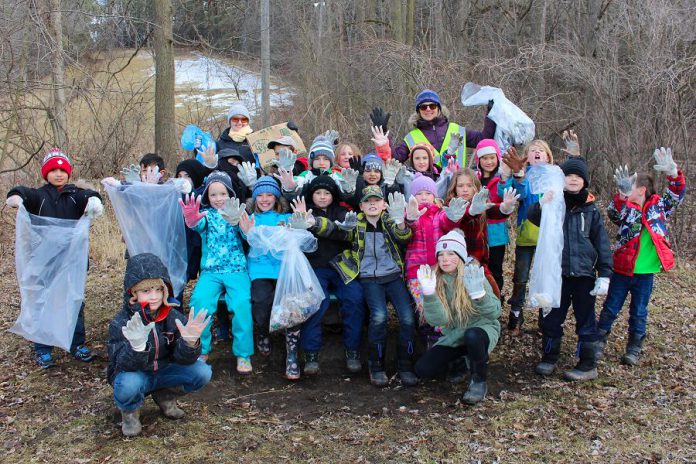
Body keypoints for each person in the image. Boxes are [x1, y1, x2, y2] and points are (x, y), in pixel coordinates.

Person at [309, 186, 417, 387]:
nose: (372, 204)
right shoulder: (356, 223)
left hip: (393, 277)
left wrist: (402, 222)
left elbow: (404, 237)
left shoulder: (389, 220)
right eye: (367, 201)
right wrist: (313, 222)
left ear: (384, 204)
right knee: (379, 317)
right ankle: (376, 366)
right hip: (369, 278)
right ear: (361, 206)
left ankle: (405, 364)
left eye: (376, 200)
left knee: (408, 319)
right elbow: (335, 229)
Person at [6, 147, 103, 368]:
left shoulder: (75, 195)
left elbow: (91, 195)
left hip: (72, 262)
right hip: (44, 262)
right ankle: (43, 348)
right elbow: (20, 191)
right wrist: (15, 199)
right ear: (46, 173)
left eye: (63, 170)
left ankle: (76, 343)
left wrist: (94, 202)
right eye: (53, 170)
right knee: (43, 302)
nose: (59, 174)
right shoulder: (39, 196)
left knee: (74, 302)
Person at [596, 147, 685, 366]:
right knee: (611, 307)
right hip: (622, 269)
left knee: (639, 311)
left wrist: (674, 174)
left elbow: (676, 194)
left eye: (631, 186)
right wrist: (621, 195)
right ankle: (597, 342)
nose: (628, 189)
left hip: (645, 272)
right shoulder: (628, 207)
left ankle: (634, 347)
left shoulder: (659, 207)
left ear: (642, 189)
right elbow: (613, 213)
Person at [107, 253, 212, 437]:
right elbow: (120, 365)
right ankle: (130, 412)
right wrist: (137, 347)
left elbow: (183, 359)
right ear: (133, 293)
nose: (154, 296)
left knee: (202, 372)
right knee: (127, 385)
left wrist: (189, 343)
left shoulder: (173, 317)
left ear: (165, 290)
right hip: (137, 375)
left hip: (164, 372)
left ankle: (165, 395)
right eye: (146, 291)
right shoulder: (121, 322)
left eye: (158, 289)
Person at [533, 147, 613, 381]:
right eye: (569, 176)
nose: (573, 179)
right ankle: (549, 358)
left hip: (584, 275)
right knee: (552, 318)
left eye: (578, 177)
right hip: (557, 274)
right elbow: (532, 216)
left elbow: (602, 244)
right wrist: (542, 204)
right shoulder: (555, 205)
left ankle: (588, 364)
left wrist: (605, 273)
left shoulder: (591, 211)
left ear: (584, 181)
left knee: (586, 319)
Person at [238, 176, 313, 380]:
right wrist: (246, 232)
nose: (264, 199)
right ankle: (262, 332)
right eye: (260, 195)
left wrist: (301, 224)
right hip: (260, 271)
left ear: (276, 197)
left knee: (291, 308)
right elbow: (246, 235)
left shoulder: (286, 217)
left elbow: (301, 237)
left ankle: (292, 355)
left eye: (269, 195)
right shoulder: (252, 217)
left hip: (285, 270)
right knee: (261, 303)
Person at [179, 171, 254, 374]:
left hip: (236, 270)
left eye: (222, 194)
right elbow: (198, 225)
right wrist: (192, 219)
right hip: (211, 272)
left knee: (242, 304)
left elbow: (247, 236)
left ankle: (243, 354)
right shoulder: (208, 216)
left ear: (230, 195)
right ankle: (201, 350)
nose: (218, 199)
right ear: (207, 198)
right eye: (213, 195)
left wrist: (245, 228)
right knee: (199, 303)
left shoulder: (236, 214)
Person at [414, 230, 501, 404]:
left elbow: (494, 313)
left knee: (473, 336)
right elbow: (438, 321)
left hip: (482, 328)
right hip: (455, 334)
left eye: (451, 254)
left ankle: (478, 381)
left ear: (460, 256)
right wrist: (429, 294)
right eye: (441, 254)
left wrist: (480, 296)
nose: (445, 259)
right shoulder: (435, 280)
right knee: (422, 369)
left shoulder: (474, 275)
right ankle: (462, 357)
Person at [294, 175, 365, 374]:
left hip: (342, 266)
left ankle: (352, 351)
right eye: (318, 193)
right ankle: (311, 355)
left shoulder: (343, 212)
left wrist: (345, 230)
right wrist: (300, 223)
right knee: (316, 303)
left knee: (355, 298)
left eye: (327, 193)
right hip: (315, 267)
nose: (323, 197)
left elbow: (348, 234)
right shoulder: (305, 212)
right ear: (312, 195)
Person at [497, 140, 555, 333]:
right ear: (526, 157)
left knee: (544, 277)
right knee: (520, 277)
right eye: (532, 151)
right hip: (525, 236)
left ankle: (544, 316)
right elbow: (518, 195)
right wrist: (518, 175)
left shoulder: (555, 176)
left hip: (548, 239)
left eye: (541, 150)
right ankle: (516, 313)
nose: (537, 153)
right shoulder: (523, 176)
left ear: (548, 156)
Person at [380, 89, 496, 167]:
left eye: (432, 106)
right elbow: (394, 159)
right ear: (418, 111)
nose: (428, 109)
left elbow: (484, 139)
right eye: (423, 107)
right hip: (428, 193)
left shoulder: (457, 130)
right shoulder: (412, 138)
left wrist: (491, 114)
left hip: (458, 188)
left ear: (439, 108)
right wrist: (383, 134)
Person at [471, 139, 513, 293]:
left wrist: (503, 180)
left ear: (497, 158)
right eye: (484, 158)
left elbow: (505, 196)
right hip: (476, 230)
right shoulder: (474, 178)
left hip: (496, 231)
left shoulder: (502, 177)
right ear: (478, 160)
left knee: (495, 268)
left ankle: (496, 301)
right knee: (477, 266)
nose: (488, 162)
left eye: (491, 157)